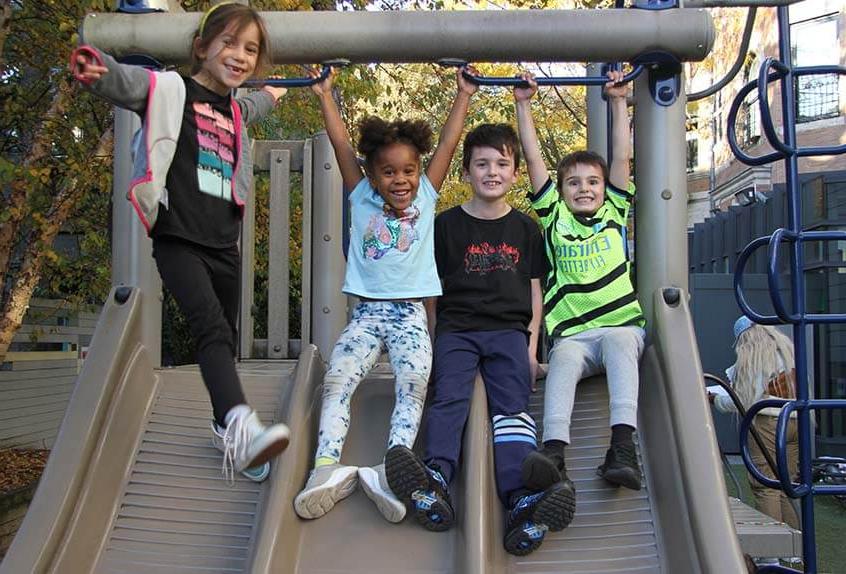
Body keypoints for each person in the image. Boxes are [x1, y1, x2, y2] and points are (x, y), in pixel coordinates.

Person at [70, 3, 290, 483]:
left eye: (251, 49)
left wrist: (276, 92)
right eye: (229, 43)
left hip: (223, 244)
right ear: (202, 46)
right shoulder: (171, 91)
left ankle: (222, 424)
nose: (240, 55)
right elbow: (130, 85)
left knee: (226, 336)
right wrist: (97, 68)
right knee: (210, 329)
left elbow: (253, 105)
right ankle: (243, 426)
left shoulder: (235, 108)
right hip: (178, 240)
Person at [293, 66, 478, 523]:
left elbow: (450, 144)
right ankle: (325, 469)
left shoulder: (427, 198)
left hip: (411, 316)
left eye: (409, 170)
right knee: (337, 380)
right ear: (373, 176)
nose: (401, 180)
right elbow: (340, 145)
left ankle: (390, 468)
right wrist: (324, 95)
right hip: (366, 316)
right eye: (389, 172)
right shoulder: (361, 197)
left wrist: (465, 95)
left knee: (413, 388)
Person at [383, 123, 575, 556]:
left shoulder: (527, 229)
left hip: (509, 332)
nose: (492, 172)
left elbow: (534, 290)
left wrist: (531, 346)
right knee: (449, 396)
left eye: (502, 164)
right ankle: (435, 479)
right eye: (482, 164)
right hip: (458, 330)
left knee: (513, 408)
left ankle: (520, 498)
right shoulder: (446, 226)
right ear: (465, 172)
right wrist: (432, 339)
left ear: (516, 173)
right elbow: (431, 289)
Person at [514, 70, 646, 497]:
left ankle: (622, 449)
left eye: (593, 182)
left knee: (624, 343)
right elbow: (534, 162)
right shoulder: (554, 218)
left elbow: (623, 160)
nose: (584, 189)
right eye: (574, 183)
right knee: (565, 360)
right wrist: (523, 105)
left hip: (619, 327)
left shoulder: (614, 213)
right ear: (562, 190)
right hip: (574, 335)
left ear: (605, 189)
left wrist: (618, 101)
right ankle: (554, 454)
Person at [710, 316, 799, 529]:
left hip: (767, 423)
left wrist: (715, 399)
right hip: (794, 420)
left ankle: (774, 552)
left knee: (765, 485)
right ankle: (796, 549)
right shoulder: (786, 352)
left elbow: (742, 400)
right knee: (786, 486)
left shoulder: (754, 356)